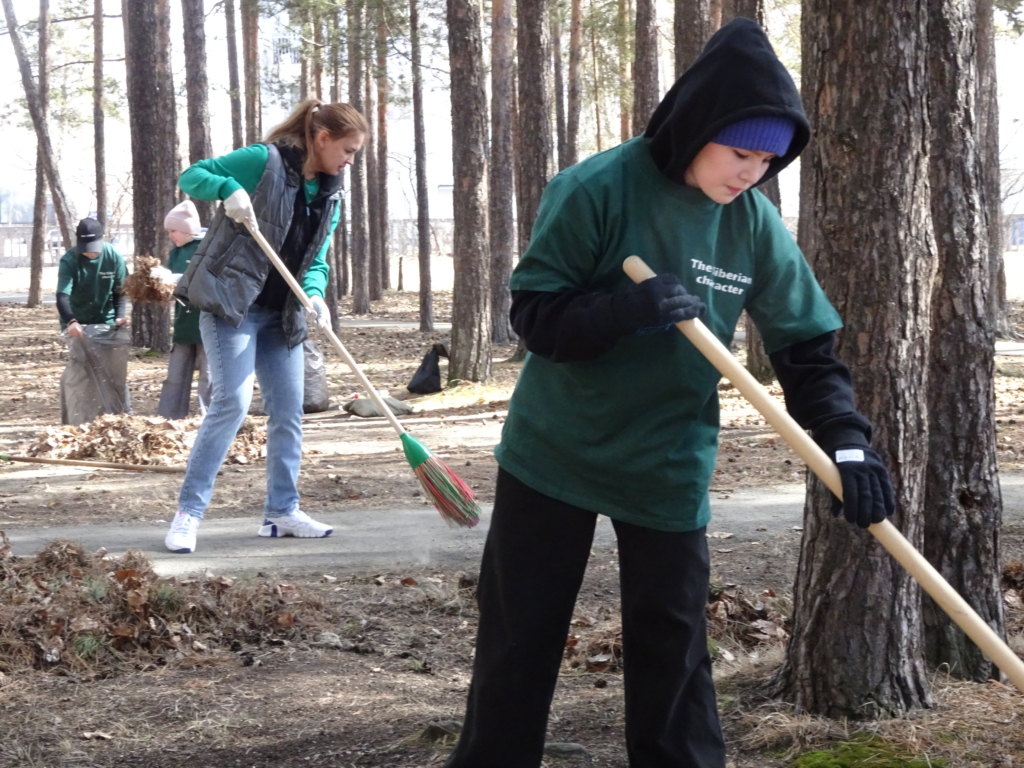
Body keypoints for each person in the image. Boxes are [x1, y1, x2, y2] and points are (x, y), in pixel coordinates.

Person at [443, 18, 896, 768]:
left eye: (768, 160)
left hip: (669, 455)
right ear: (698, 129)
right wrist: (620, 313)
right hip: (558, 447)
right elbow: (534, 316)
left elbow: (806, 350)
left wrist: (846, 441)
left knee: (673, 638)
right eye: (741, 151)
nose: (752, 173)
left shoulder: (751, 224)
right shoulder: (595, 188)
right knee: (521, 634)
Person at [163, 98, 368, 554]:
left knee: (288, 411)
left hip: (284, 313)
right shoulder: (264, 160)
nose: (351, 161)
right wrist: (227, 190)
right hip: (233, 304)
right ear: (322, 139)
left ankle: (281, 512)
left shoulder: (332, 192)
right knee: (231, 404)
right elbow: (192, 176)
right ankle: (188, 514)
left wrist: (314, 293)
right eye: (348, 150)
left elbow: (317, 258)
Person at [55, 218, 131, 425]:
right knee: (82, 373)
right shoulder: (69, 260)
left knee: (112, 373)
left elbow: (121, 290)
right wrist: (71, 321)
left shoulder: (113, 256)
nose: (91, 252)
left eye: (94, 248)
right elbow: (62, 295)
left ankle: (119, 418)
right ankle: (79, 422)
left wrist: (119, 315)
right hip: (78, 326)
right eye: (86, 249)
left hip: (106, 322)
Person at [155, 200, 212, 420]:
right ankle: (168, 419)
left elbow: (207, 280)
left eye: (173, 230)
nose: (170, 235)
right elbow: (169, 284)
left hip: (207, 323)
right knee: (175, 376)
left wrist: (181, 280)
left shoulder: (207, 247)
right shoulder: (176, 252)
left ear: (187, 229)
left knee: (208, 377)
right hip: (183, 325)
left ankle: (207, 420)